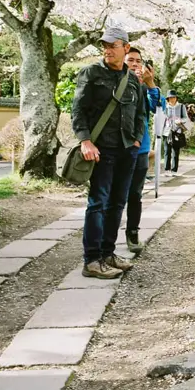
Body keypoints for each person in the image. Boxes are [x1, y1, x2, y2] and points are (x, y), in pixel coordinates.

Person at [71, 27, 145, 280]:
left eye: (113, 45)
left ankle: (108, 253)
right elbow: (78, 110)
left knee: (117, 203)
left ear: (126, 47)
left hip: (127, 150)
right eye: (105, 45)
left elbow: (141, 113)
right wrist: (85, 141)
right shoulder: (90, 73)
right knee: (98, 203)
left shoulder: (133, 79)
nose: (107, 49)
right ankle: (92, 260)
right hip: (101, 150)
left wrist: (136, 140)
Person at [124, 48, 163, 253]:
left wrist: (149, 84)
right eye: (130, 60)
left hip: (140, 149)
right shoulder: (116, 82)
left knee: (135, 194)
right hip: (117, 148)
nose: (135, 64)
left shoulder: (144, 87)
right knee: (113, 195)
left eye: (138, 61)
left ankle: (132, 234)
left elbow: (157, 107)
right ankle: (106, 239)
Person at [164, 90, 189, 173]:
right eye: (170, 97)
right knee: (167, 151)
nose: (172, 99)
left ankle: (174, 170)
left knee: (175, 151)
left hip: (177, 131)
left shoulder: (181, 106)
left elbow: (186, 118)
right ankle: (167, 169)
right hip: (167, 131)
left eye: (174, 97)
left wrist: (180, 121)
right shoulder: (165, 107)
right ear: (168, 98)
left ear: (176, 98)